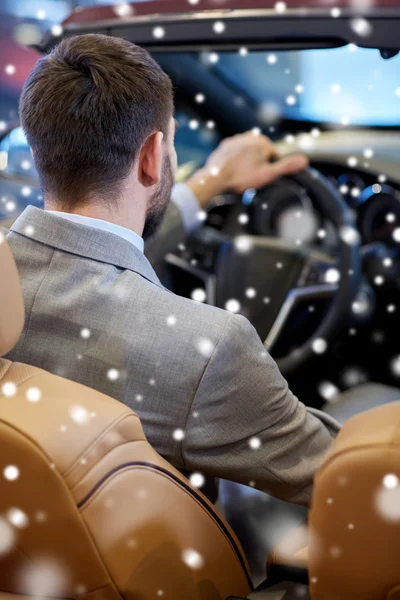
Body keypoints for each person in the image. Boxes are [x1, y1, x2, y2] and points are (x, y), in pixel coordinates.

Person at [5, 33, 340, 506]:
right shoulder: (206, 351)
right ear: (151, 155)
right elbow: (348, 475)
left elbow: (83, 248)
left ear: (40, 148)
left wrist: (212, 182)